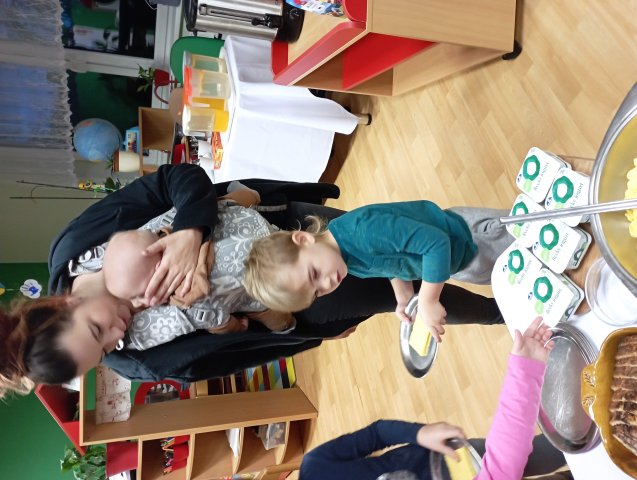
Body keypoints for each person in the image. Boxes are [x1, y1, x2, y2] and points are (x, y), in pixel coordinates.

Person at [0, 164, 504, 389]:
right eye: (105, 351)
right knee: (412, 299)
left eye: (97, 328)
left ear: (64, 303)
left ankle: (499, 275)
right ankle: (505, 311)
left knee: (398, 248)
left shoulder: (78, 247)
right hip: (302, 302)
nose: (117, 334)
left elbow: (178, 179)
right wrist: (304, 334)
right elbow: (241, 347)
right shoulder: (138, 360)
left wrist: (191, 232)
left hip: (290, 235)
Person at [299, 318, 567, 480]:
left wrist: (419, 433)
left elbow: (376, 433)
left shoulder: (315, 466)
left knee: (550, 454)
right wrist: (525, 371)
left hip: (450, 457)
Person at [244, 201, 512, 343]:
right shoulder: (343, 260)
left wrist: (428, 299)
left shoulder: (361, 232)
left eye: (314, 274)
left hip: (472, 238)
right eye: (317, 292)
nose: (327, 283)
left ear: (303, 239)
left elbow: (437, 243)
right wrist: (403, 294)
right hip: (461, 261)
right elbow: (391, 265)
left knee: (533, 251)